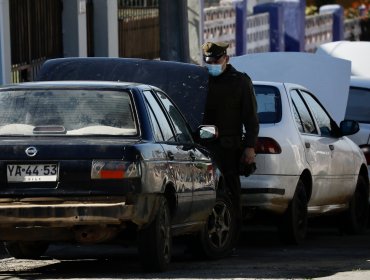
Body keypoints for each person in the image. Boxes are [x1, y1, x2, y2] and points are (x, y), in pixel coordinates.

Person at [201, 41, 259, 240]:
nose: (212, 64)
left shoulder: (239, 81)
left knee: (231, 194)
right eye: (208, 61)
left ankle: (232, 238)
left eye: (216, 60)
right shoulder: (200, 79)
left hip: (228, 148)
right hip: (202, 146)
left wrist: (249, 147)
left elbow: (251, 118)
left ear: (226, 58)